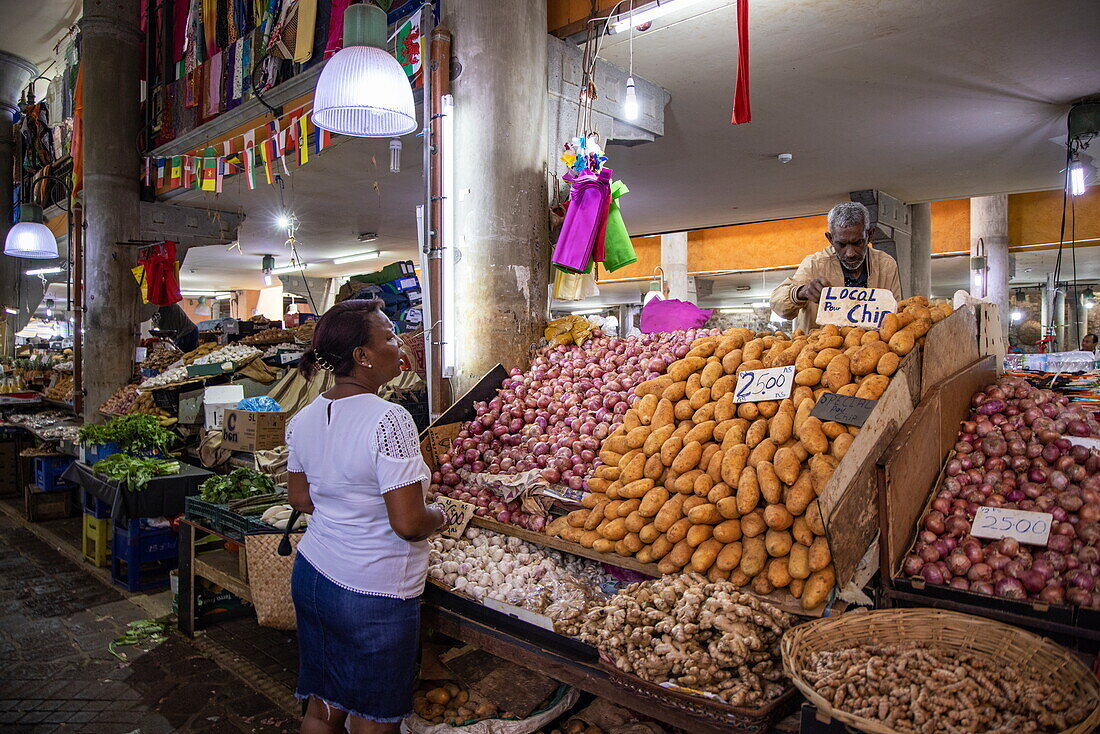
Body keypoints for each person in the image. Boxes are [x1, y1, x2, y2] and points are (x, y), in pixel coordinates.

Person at [286, 299, 445, 734]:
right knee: (373, 719)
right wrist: (441, 515)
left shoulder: (303, 419)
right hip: (373, 591)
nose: (399, 345)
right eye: (390, 337)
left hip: (314, 575)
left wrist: (348, 510)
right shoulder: (389, 419)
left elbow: (300, 498)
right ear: (363, 356)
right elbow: (409, 524)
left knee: (322, 709)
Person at [771, 201, 902, 334]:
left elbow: (896, 313)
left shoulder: (886, 265)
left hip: (872, 350)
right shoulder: (815, 264)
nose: (850, 253)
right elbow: (778, 304)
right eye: (842, 244)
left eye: (857, 243)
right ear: (830, 238)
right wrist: (801, 292)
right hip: (818, 351)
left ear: (870, 235)